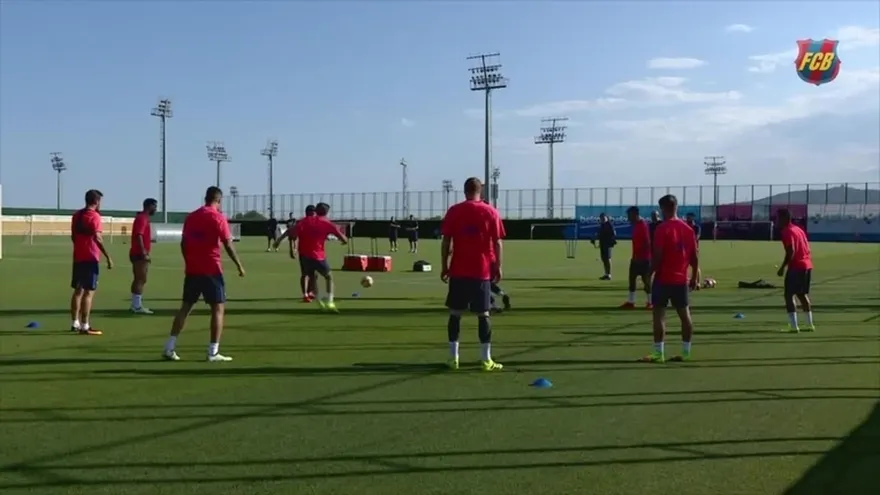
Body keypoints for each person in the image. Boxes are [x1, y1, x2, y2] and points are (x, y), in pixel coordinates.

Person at [163, 187, 245, 362]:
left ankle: (169, 347)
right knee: (218, 308)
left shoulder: (191, 217)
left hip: (193, 270)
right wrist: (239, 265)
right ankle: (213, 351)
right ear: (219, 200)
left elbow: (184, 243)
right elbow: (228, 244)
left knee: (185, 307)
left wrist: (189, 261)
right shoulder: (218, 217)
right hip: (212, 269)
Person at [440, 177, 505, 372]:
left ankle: (454, 359)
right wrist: (499, 266)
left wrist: (444, 266)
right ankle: (486, 359)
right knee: (483, 314)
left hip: (458, 270)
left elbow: (445, 242)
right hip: (481, 271)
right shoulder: (490, 211)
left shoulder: (454, 211)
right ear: (480, 191)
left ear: (464, 190)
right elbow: (498, 242)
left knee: (455, 314)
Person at [641, 194, 699, 363]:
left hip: (664, 279)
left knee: (659, 314)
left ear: (664, 208)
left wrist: (648, 275)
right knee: (685, 315)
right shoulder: (688, 229)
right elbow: (694, 257)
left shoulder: (662, 229)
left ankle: (659, 353)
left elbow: (657, 257)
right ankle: (686, 353)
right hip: (681, 279)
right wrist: (694, 277)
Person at [70, 189, 113, 335]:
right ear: (96, 201)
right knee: (89, 292)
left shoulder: (77, 215)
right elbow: (98, 238)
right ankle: (85, 325)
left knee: (78, 291)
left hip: (78, 257)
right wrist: (108, 257)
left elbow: (73, 236)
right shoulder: (94, 217)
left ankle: (74, 322)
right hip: (90, 258)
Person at [290, 202, 348, 310]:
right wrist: (344, 241)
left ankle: (319, 300)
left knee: (312, 277)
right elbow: (343, 238)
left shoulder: (305, 221)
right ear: (326, 212)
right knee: (329, 277)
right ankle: (330, 301)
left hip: (305, 256)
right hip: (318, 255)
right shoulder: (327, 223)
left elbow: (292, 233)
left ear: (316, 210)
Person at [776, 208, 815, 333]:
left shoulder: (787, 231)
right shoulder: (799, 230)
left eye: (778, 218)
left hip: (797, 266)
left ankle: (794, 326)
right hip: (807, 265)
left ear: (784, 218)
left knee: (789, 295)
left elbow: (791, 251)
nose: (777, 221)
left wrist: (783, 267)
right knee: (802, 294)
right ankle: (810, 324)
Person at [129, 198, 158, 314]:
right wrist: (143, 252)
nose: (156, 209)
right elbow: (139, 235)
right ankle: (137, 306)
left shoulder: (142, 218)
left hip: (137, 253)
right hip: (139, 254)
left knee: (138, 279)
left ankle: (135, 304)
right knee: (141, 279)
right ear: (149, 206)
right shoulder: (142, 218)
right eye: (155, 206)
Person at [621, 206, 653, 309]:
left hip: (643, 259)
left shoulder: (642, 225)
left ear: (635, 214)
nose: (628, 218)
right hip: (635, 258)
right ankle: (631, 302)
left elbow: (647, 243)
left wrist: (641, 257)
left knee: (646, 281)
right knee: (632, 280)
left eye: (629, 215)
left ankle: (650, 302)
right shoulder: (636, 225)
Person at [591, 213, 616, 280]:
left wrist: (610, 241)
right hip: (602, 243)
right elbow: (600, 234)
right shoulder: (602, 225)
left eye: (603, 218)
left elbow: (614, 233)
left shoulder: (609, 224)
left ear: (606, 218)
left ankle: (609, 274)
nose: (602, 219)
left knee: (608, 258)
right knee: (604, 259)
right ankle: (606, 274)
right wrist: (594, 238)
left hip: (607, 244)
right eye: (601, 218)